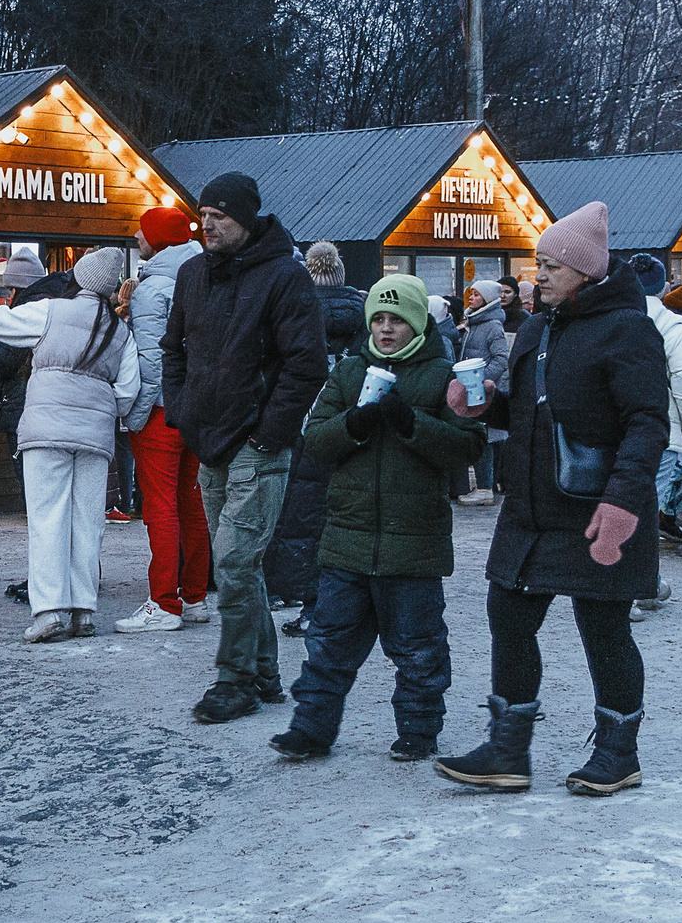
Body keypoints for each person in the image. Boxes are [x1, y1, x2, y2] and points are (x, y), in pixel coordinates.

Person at [433, 202, 665, 798]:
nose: (539, 276)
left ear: (586, 270)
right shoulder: (538, 326)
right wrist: (486, 406)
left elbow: (646, 424)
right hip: (532, 506)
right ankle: (508, 749)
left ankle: (618, 753)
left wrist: (623, 504)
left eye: (551, 266)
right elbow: (532, 410)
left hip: (597, 506)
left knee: (604, 629)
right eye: (538, 264)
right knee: (507, 613)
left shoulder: (628, 328)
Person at [270, 273, 481, 763]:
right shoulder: (348, 374)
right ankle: (311, 729)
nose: (386, 330)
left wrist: (411, 422)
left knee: (418, 648)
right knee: (327, 646)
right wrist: (356, 423)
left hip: (414, 545)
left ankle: (418, 729)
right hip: (347, 539)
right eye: (379, 320)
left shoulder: (442, 376)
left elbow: (467, 447)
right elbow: (316, 440)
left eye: (397, 320)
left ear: (417, 325)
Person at [160, 172, 328, 725]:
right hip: (208, 440)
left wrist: (268, 433)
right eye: (202, 215)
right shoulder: (191, 275)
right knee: (241, 565)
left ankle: (234, 680)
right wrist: (183, 412)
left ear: (247, 219)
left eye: (220, 217)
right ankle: (266, 672)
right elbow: (173, 351)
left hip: (257, 444)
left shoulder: (285, 277)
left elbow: (307, 366)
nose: (206, 224)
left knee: (233, 561)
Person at [0, 248, 138, 641]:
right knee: (88, 522)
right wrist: (99, 407)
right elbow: (127, 392)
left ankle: (48, 613)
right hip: (94, 437)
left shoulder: (50, 311)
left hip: (46, 429)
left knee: (47, 519)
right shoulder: (120, 331)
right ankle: (84, 611)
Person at [113, 206, 211, 633]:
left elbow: (151, 363)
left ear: (159, 241)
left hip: (160, 412)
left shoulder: (153, 292)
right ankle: (194, 598)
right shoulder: (203, 276)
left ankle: (163, 603)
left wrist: (134, 416)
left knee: (160, 507)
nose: (137, 237)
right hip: (196, 410)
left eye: (143, 231)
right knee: (192, 504)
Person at [264, 242, 364, 634]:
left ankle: (302, 598)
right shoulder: (363, 314)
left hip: (302, 424)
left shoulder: (296, 314)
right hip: (352, 423)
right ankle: (338, 602)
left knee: (299, 516)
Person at [634, 255, 682, 549]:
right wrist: (681, 421)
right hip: (657, 430)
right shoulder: (672, 327)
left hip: (608, 431)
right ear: (663, 288)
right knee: (644, 510)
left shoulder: (605, 320)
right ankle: (644, 580)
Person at [454, 279, 513, 506]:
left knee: (486, 439)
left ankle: (485, 487)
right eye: (472, 293)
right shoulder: (474, 322)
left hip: (483, 391)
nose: (472, 297)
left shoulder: (492, 326)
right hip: (473, 390)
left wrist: (482, 379)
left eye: (477, 295)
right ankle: (486, 485)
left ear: (487, 299)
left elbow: (501, 359)